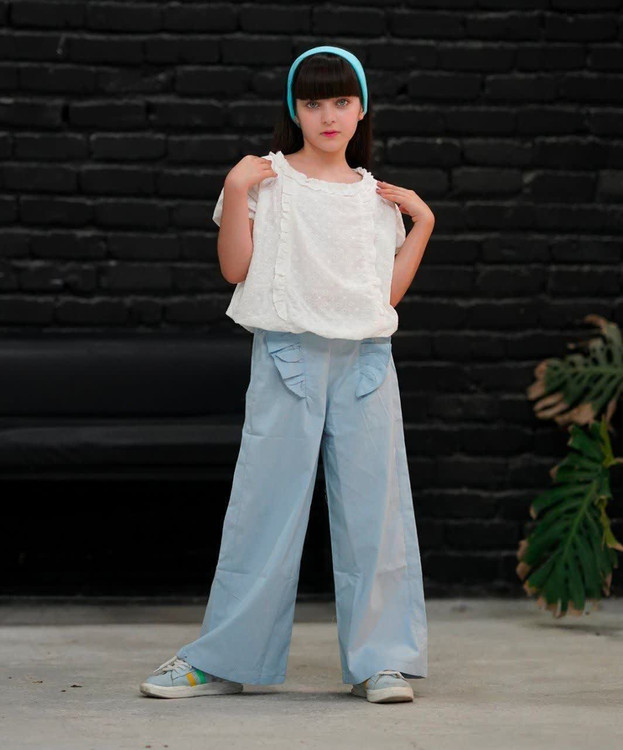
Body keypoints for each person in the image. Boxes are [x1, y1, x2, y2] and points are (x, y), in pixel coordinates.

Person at [140, 45, 435, 705]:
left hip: (366, 360)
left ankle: (382, 663)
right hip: (287, 355)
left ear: (361, 110)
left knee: (376, 515)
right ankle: (224, 659)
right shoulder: (265, 181)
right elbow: (235, 270)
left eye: (341, 101)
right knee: (263, 510)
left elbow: (382, 298)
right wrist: (235, 189)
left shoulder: (377, 200)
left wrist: (423, 224)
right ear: (293, 110)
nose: (328, 115)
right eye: (313, 101)